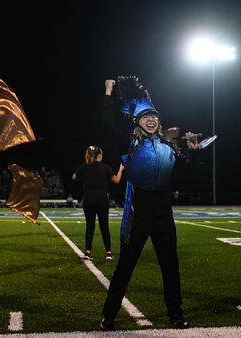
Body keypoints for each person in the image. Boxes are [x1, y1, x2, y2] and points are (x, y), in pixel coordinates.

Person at [101, 77, 195, 331]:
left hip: (163, 213)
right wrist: (109, 94)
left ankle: (175, 313)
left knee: (170, 266)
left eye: (154, 116)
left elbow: (186, 174)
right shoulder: (128, 143)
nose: (151, 120)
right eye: (145, 117)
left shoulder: (169, 145)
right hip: (138, 213)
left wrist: (192, 153)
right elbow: (108, 124)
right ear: (136, 122)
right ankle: (109, 315)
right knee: (125, 267)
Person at [72, 145, 124, 260]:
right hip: (102, 200)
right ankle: (109, 253)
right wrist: (120, 170)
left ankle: (87, 252)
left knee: (90, 226)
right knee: (104, 227)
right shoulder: (105, 167)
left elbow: (74, 177)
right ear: (99, 155)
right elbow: (117, 180)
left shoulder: (84, 167)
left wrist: (84, 170)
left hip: (88, 200)